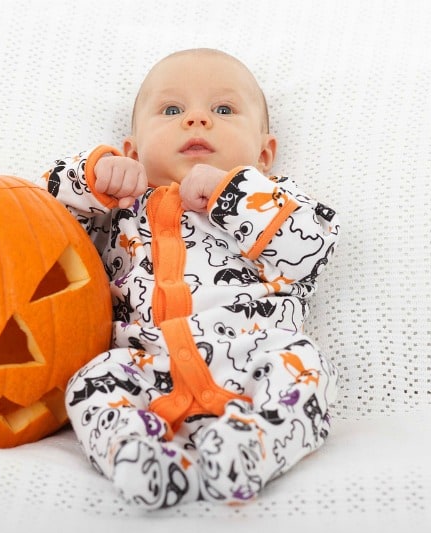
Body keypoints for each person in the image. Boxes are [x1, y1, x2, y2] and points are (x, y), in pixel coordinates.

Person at [39, 48, 340, 509]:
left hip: (252, 355)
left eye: (223, 110)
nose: (197, 120)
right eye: (172, 110)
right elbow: (37, 225)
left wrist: (232, 193)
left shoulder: (271, 202)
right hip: (149, 366)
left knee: (303, 367)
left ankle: (253, 448)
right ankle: (143, 456)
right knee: (89, 383)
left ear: (263, 154)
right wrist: (93, 176)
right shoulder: (119, 211)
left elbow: (310, 249)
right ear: (133, 150)